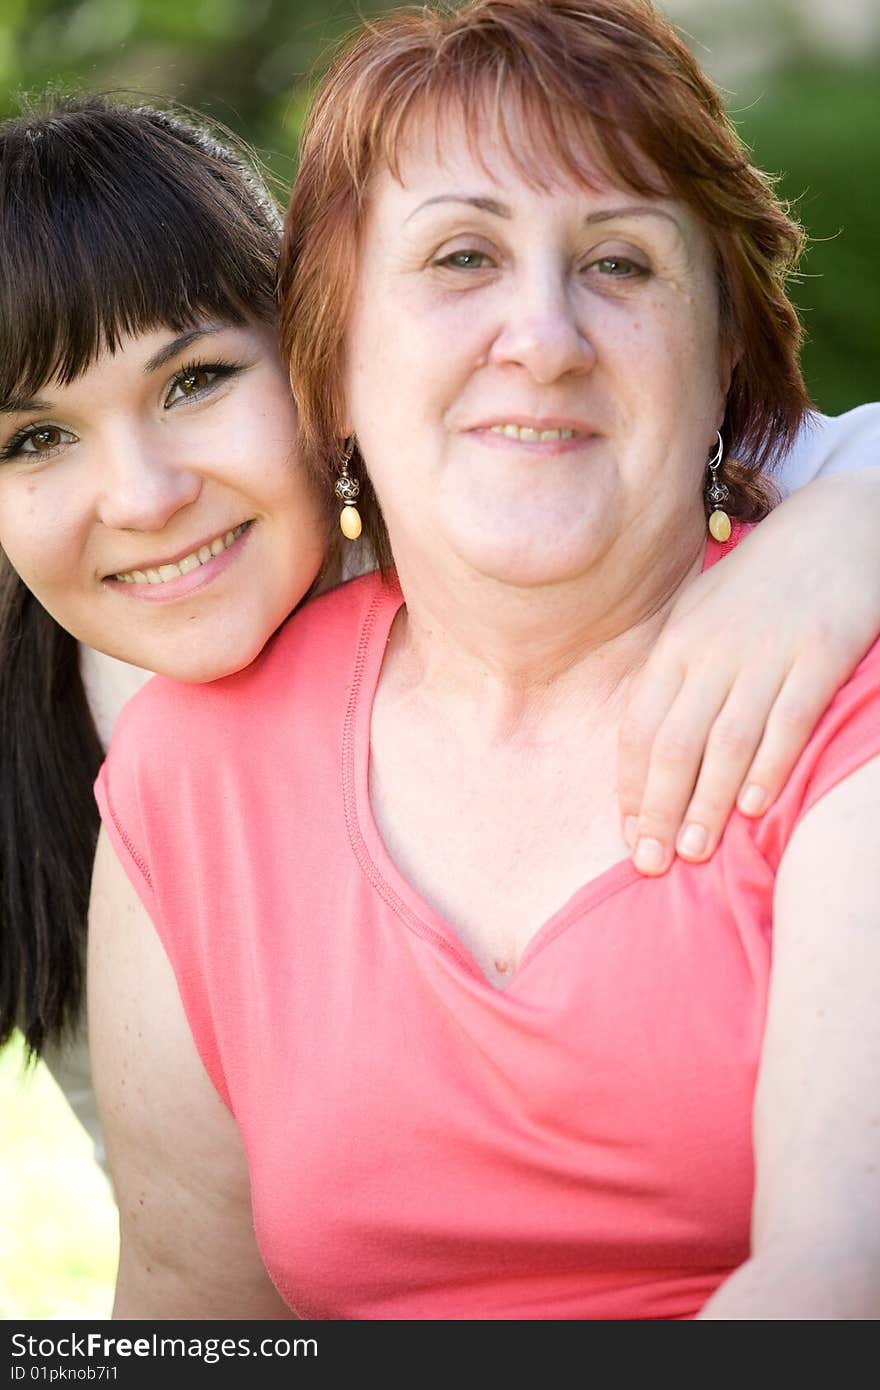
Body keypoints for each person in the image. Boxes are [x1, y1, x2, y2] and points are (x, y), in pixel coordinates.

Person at [89, 0, 880, 1319]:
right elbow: (189, 1319)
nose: (546, 338)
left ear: (726, 351)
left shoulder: (843, 692)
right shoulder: (196, 771)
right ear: (330, 363)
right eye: (462, 256)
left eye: (622, 265)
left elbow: (841, 1269)